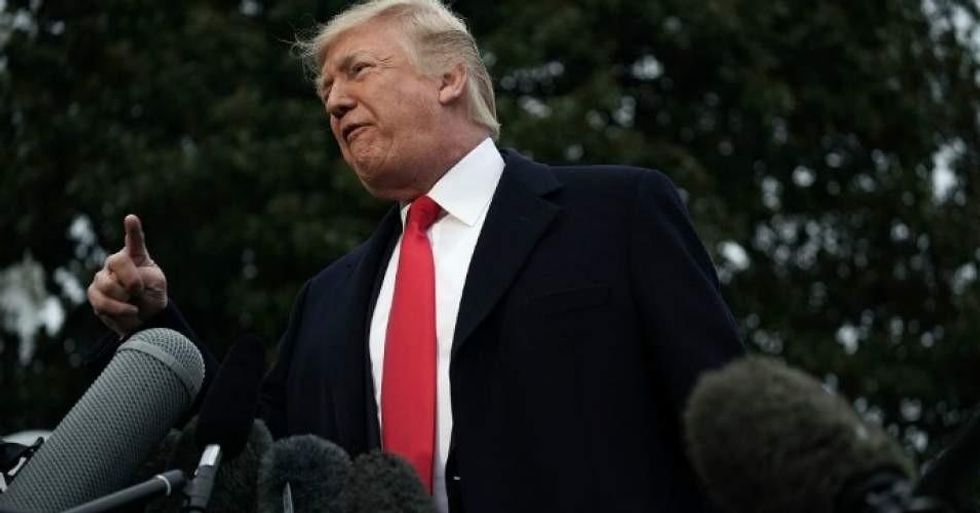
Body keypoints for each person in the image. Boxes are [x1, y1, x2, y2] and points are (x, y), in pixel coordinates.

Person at [87, 1, 744, 512]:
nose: (336, 99)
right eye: (325, 92)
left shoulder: (617, 213)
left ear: (449, 78)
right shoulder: (328, 299)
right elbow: (245, 453)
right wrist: (155, 324)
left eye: (358, 70)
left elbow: (728, 417)